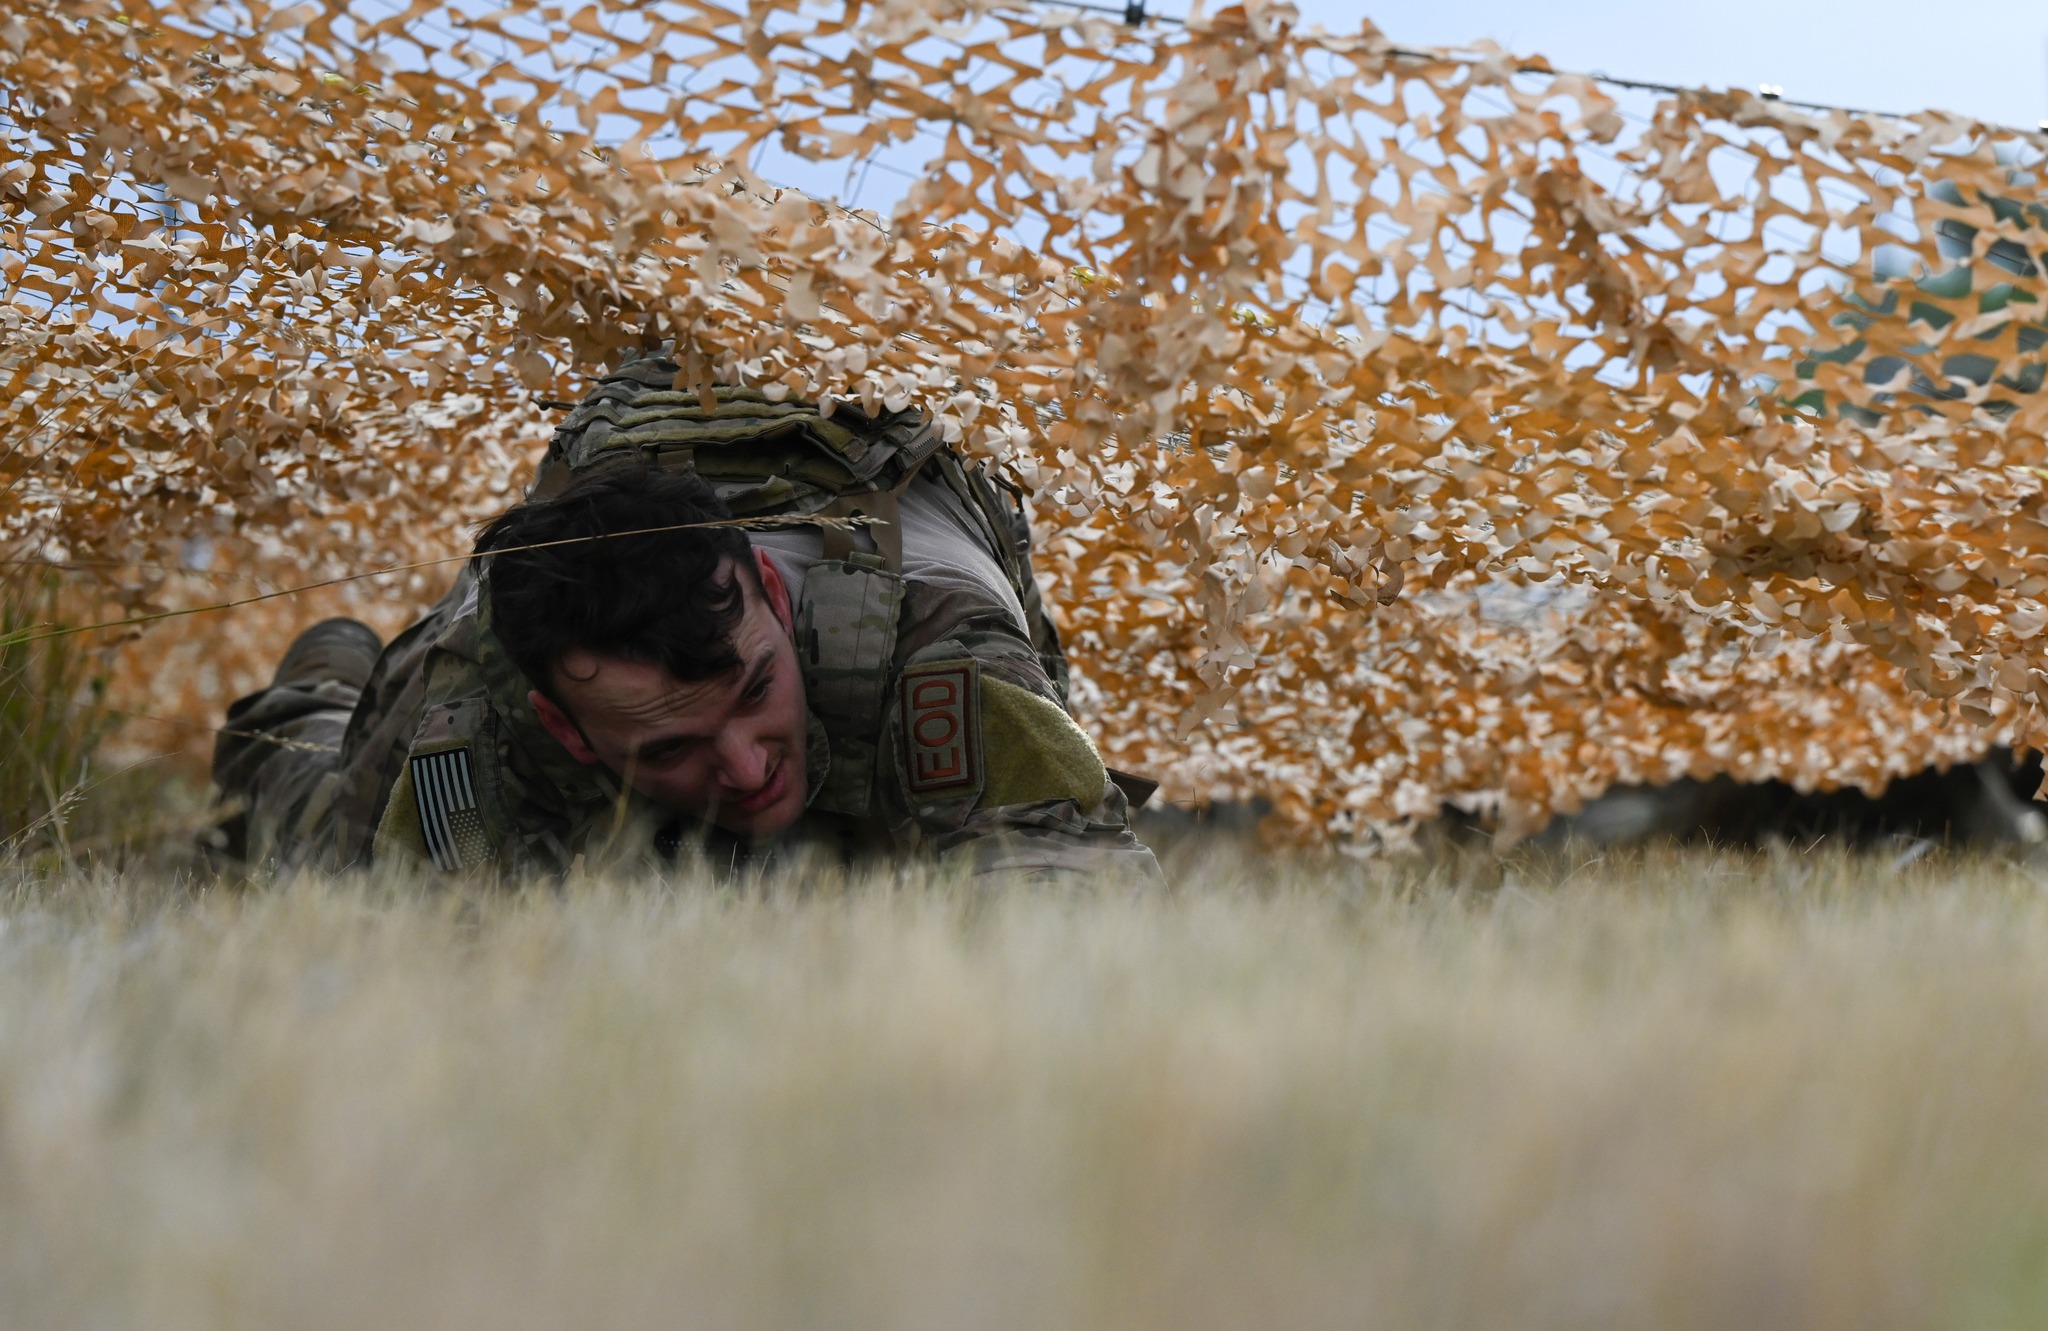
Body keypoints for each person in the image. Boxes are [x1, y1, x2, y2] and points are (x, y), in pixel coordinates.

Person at [211, 351, 1162, 885]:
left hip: (880, 646)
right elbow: (410, 963)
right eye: (671, 746)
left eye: (755, 691)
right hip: (495, 645)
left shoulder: (938, 643)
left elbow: (1079, 905)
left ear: (776, 602)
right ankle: (325, 681)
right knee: (314, 845)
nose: (748, 766)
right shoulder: (482, 698)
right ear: (564, 726)